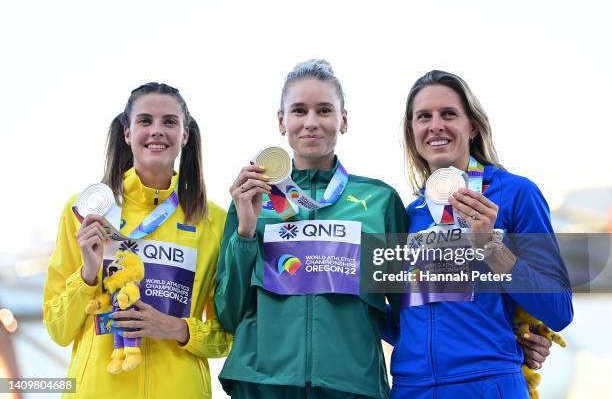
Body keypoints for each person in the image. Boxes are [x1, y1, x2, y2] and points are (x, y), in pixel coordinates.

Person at [214, 59, 408, 398]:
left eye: (324, 110)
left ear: (343, 120)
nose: (311, 123)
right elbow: (228, 313)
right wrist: (245, 231)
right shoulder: (251, 197)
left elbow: (409, 310)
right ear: (281, 120)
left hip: (353, 387)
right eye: (299, 111)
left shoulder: (380, 200)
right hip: (262, 385)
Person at [389, 70, 573, 398]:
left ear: (471, 126)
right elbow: (403, 320)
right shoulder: (407, 215)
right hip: (411, 388)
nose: (435, 126)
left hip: (490, 384)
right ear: (413, 131)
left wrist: (492, 248)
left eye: (448, 114)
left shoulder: (516, 194)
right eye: (423, 117)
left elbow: (558, 310)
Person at [43, 83, 231, 398]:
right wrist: (88, 274)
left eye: (169, 122)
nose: (157, 130)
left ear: (184, 135)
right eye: (145, 121)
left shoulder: (213, 221)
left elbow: (228, 336)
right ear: (127, 133)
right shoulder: (86, 210)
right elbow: (58, 330)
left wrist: (176, 328)